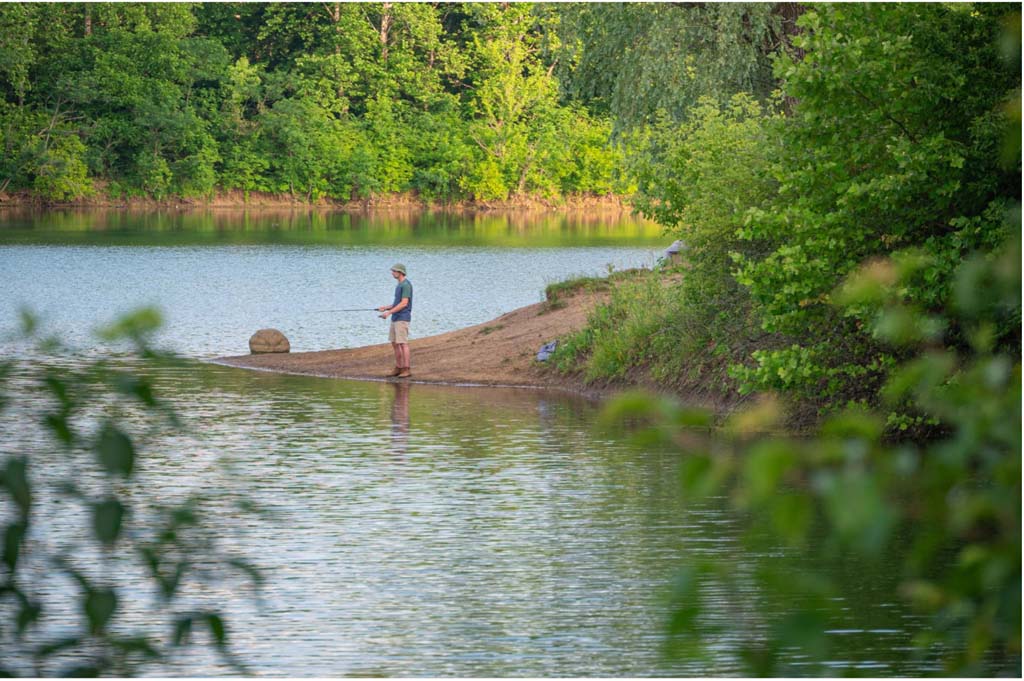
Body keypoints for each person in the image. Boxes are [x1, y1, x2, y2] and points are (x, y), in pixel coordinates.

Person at [378, 263, 413, 378]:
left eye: (394, 271)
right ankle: (398, 368)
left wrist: (389, 313)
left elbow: (404, 303)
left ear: (400, 272)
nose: (392, 273)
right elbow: (397, 303)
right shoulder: (399, 285)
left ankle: (406, 369)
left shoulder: (406, 285)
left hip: (402, 318)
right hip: (395, 317)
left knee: (403, 343)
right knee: (394, 343)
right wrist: (386, 307)